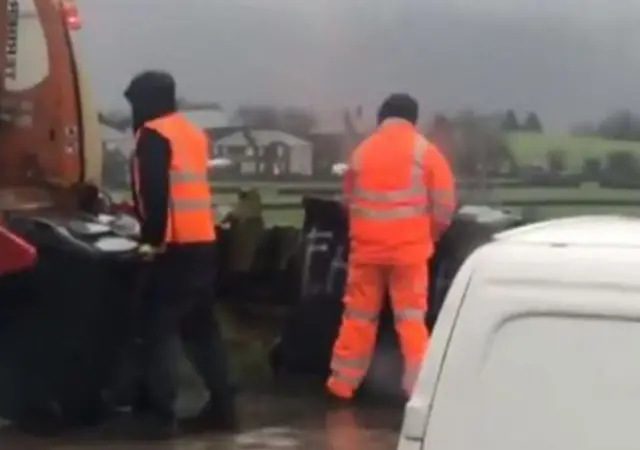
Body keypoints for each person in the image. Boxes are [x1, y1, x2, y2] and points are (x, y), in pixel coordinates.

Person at [124, 70, 237, 438]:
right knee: (201, 329)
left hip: (172, 247)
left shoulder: (153, 135)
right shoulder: (190, 132)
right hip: (203, 242)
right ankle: (224, 407)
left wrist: (149, 240)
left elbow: (157, 195)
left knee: (160, 331)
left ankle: (160, 416)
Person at [326, 93, 457, 401]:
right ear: (413, 119)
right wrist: (431, 235)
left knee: (357, 317)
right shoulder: (426, 152)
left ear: (381, 117)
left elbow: (348, 202)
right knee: (411, 320)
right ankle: (419, 390)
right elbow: (445, 205)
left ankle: (342, 385)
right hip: (409, 254)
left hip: (367, 252)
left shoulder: (361, 153)